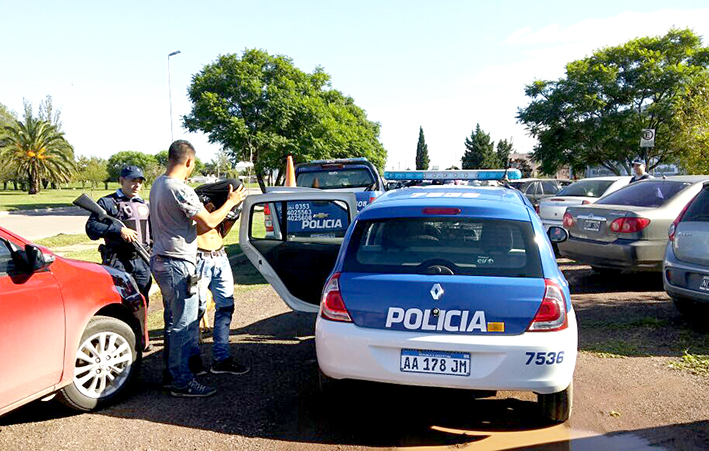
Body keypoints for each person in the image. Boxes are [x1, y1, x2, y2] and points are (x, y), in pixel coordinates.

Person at [150, 140, 246, 398]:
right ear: (189, 162)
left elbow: (192, 225)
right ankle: (183, 381)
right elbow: (211, 221)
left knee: (173, 321)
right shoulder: (180, 189)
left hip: (161, 260)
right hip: (178, 263)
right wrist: (231, 202)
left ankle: (172, 376)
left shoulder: (158, 184)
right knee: (184, 323)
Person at [192, 179, 249, 376]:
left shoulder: (220, 208)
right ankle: (193, 361)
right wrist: (230, 203)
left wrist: (231, 211)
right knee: (195, 310)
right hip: (198, 260)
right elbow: (208, 223)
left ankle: (222, 359)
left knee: (226, 307)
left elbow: (220, 231)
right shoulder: (197, 203)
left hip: (220, 257)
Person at [86, 165, 152, 302]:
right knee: (119, 300)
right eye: (133, 180)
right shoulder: (107, 202)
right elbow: (91, 228)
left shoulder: (145, 205)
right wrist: (119, 230)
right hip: (118, 261)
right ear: (122, 180)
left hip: (143, 260)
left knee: (142, 300)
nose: (137, 185)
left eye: (140, 181)